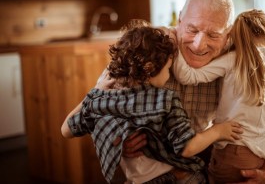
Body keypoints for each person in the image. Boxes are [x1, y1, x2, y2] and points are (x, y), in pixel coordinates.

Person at [121, 0, 265, 183]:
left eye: (213, 35)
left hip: (201, 160)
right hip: (146, 169)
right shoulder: (151, 48)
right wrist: (120, 139)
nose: (199, 45)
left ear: (228, 34)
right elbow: (101, 103)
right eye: (192, 29)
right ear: (180, 20)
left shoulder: (235, 57)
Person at [61, 20, 243, 184]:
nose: (168, 75)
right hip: (181, 178)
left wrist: (95, 93)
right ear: (149, 69)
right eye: (168, 69)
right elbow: (187, 147)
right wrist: (219, 131)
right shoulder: (165, 100)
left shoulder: (104, 98)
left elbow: (66, 130)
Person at [172, 9, 265, 183]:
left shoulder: (234, 58)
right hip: (257, 153)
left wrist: (174, 42)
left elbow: (187, 76)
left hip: (229, 148)